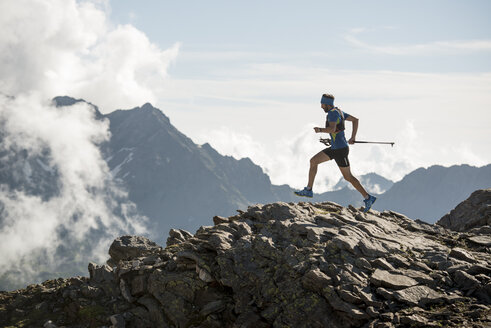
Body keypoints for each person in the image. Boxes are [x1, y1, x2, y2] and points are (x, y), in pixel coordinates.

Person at [294, 93, 377, 213]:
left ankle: (368, 198)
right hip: (335, 148)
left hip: (340, 151)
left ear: (327, 104)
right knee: (313, 161)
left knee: (348, 177)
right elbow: (354, 120)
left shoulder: (332, 113)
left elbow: (332, 129)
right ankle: (308, 189)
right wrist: (352, 137)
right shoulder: (339, 112)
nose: (321, 106)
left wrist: (320, 130)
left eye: (322, 104)